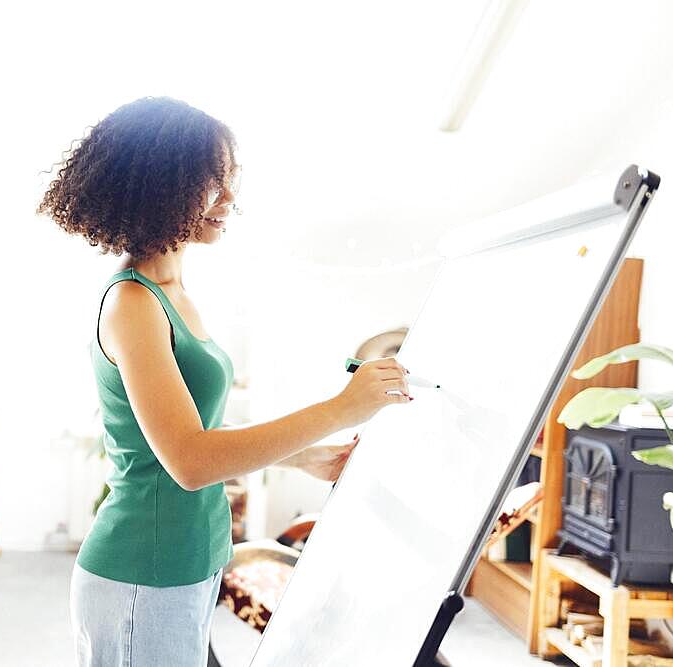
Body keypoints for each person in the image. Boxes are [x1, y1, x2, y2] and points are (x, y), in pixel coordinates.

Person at [38, 96, 412, 666]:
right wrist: (342, 407)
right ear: (160, 188)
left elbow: (196, 428)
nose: (230, 199)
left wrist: (300, 458)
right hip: (144, 569)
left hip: (192, 555)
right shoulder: (134, 303)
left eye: (230, 180)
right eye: (211, 183)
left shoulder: (175, 295)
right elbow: (189, 461)